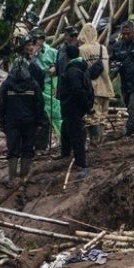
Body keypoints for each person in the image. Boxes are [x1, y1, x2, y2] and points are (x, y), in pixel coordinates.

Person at [0, 57, 45, 188]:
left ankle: (12, 177)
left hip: (11, 122)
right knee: (28, 147)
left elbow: (1, 104)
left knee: (12, 148)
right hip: (29, 122)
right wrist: (40, 121)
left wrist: (1, 120)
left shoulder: (6, 85)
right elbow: (39, 104)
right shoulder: (33, 84)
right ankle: (24, 175)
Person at [56, 44, 94, 179]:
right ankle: (65, 152)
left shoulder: (72, 71)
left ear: (66, 56)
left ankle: (81, 162)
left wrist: (86, 106)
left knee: (76, 133)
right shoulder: (81, 68)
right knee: (66, 127)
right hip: (73, 106)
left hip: (72, 106)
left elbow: (78, 90)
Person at [76, 23, 113, 146]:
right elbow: (106, 69)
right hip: (105, 85)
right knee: (103, 114)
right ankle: (100, 139)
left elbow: (81, 70)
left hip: (91, 87)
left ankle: (95, 140)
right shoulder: (103, 49)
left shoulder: (81, 50)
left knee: (92, 115)